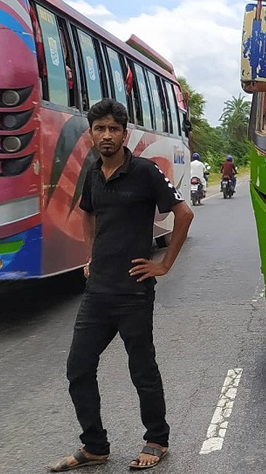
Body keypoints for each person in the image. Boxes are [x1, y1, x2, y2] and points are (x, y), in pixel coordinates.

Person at [50, 99, 194, 472]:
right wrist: (91, 256)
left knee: (142, 369)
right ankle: (95, 446)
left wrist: (164, 264)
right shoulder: (93, 175)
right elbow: (87, 213)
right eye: (100, 128)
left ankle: (157, 439)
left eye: (114, 128)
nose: (107, 135)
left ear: (124, 134)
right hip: (97, 293)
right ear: (91, 134)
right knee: (78, 368)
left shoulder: (145, 171)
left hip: (133, 293)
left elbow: (184, 213)